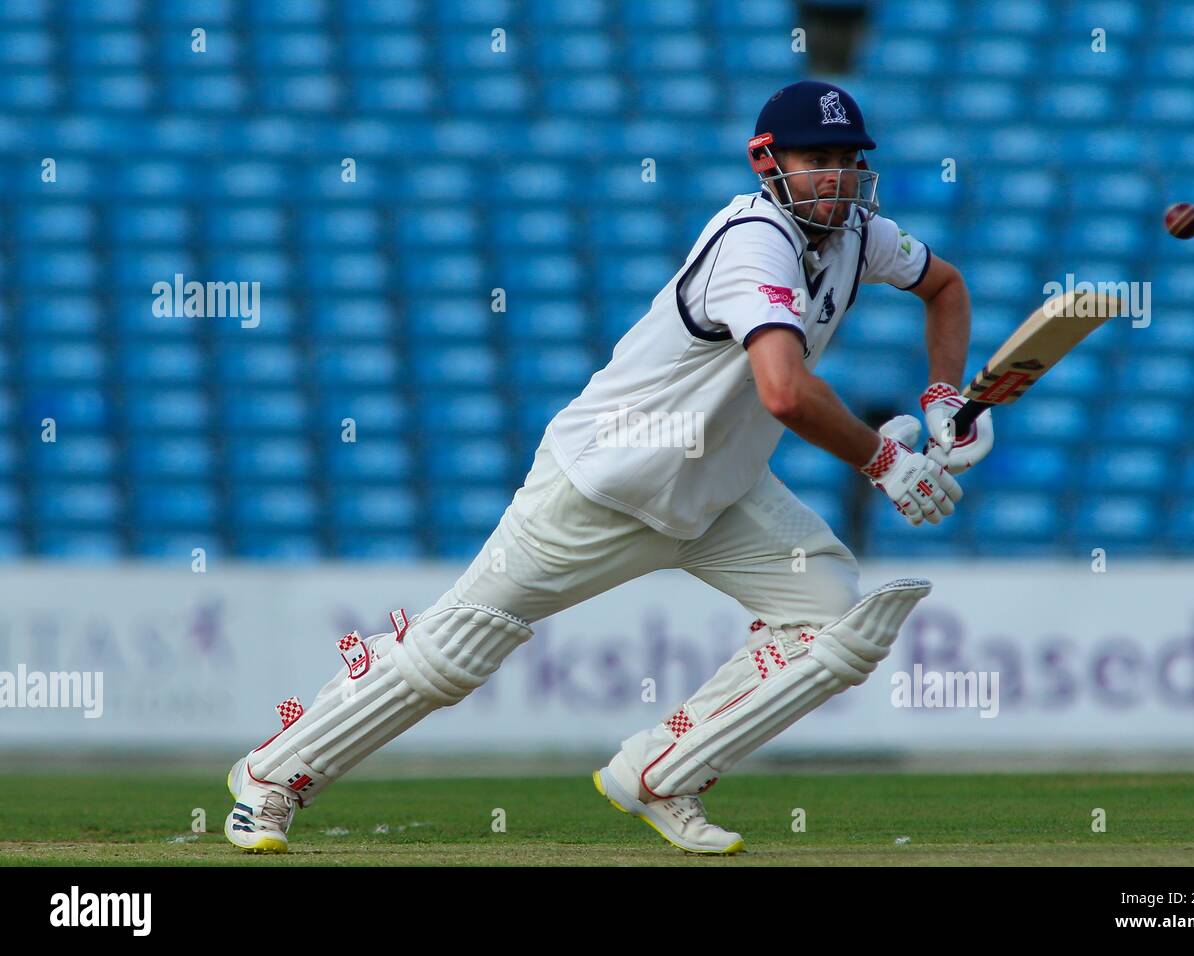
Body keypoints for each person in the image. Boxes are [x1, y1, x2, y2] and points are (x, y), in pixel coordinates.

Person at [224, 80, 993, 855]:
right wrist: (885, 459)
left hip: (720, 491)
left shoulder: (862, 234)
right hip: (607, 481)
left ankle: (661, 771)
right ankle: (271, 774)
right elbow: (785, 393)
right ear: (768, 162)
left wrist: (941, 393)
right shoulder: (754, 240)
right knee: (454, 652)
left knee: (835, 616)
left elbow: (946, 286)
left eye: (848, 159)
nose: (835, 175)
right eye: (815, 157)